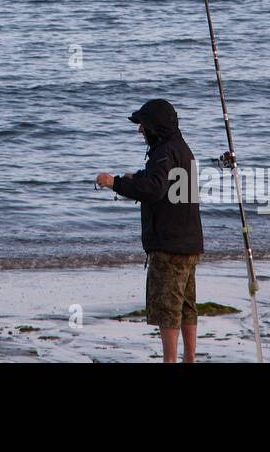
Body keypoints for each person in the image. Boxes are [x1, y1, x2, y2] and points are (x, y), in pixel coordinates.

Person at [95, 98, 203, 363]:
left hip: (170, 246)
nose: (139, 130)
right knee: (187, 306)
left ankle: (170, 361)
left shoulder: (164, 153)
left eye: (143, 125)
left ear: (155, 127)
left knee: (168, 309)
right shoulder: (180, 148)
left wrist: (115, 183)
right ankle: (190, 358)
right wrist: (138, 179)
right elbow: (166, 185)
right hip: (189, 243)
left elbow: (155, 189)